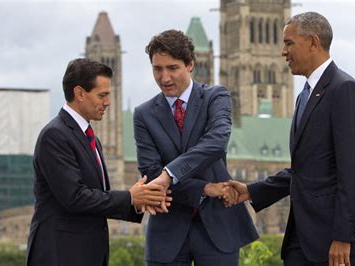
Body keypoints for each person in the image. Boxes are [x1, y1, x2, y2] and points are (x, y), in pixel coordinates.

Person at [226, 12, 355, 266]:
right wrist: (251, 191)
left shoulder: (345, 90)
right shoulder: (304, 96)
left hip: (335, 240)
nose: (282, 52)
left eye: (289, 43)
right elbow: (304, 170)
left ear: (313, 42)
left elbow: (354, 171)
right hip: (304, 237)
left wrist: (343, 237)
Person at [26, 58, 170, 266]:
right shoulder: (55, 136)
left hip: (87, 254)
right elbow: (75, 197)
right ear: (80, 93)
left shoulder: (90, 138)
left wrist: (138, 202)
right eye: (102, 95)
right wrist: (129, 197)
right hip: (61, 255)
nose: (108, 102)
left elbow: (98, 199)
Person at [133, 29, 258, 265]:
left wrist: (169, 175)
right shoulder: (143, 114)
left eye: (172, 68)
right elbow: (151, 174)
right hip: (167, 232)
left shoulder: (216, 97)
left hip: (218, 228)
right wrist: (206, 188)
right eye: (157, 69)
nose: (164, 77)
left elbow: (215, 142)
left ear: (190, 65)